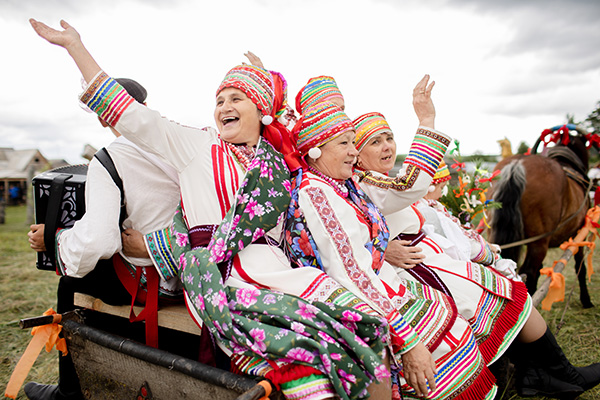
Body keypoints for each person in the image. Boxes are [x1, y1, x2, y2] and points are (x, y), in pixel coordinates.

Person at [30, 19, 392, 400]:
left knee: (370, 330)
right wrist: (76, 48)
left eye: (237, 98)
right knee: (319, 356)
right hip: (227, 279)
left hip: (284, 272)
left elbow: (321, 141)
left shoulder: (275, 162)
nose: (224, 107)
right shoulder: (199, 147)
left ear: (261, 110)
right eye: (220, 101)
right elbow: (133, 116)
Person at [353, 111, 600, 399]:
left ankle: (546, 372)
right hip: (417, 266)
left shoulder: (374, 182)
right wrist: (427, 121)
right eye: (375, 142)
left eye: (389, 138)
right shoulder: (369, 183)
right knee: (503, 296)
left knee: (506, 294)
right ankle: (554, 374)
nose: (387, 146)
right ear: (357, 154)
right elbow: (406, 189)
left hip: (424, 258)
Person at [285, 101, 499, 399]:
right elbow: (351, 272)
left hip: (380, 282)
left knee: (451, 320)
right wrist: (408, 341)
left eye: (354, 142)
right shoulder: (317, 191)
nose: (353, 151)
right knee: (444, 331)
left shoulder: (338, 184)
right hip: (361, 297)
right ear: (315, 150)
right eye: (345, 143)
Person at [25, 78, 183, 400]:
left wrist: (55, 241)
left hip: (151, 283)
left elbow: (99, 241)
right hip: (191, 274)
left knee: (71, 282)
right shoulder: (181, 144)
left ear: (102, 118)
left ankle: (69, 392)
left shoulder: (110, 158)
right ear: (145, 107)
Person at [415, 162, 520, 281]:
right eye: (441, 188)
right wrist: (490, 254)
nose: (441, 193)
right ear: (430, 187)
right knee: (503, 275)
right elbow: (460, 244)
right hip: (451, 266)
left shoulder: (426, 206)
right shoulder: (429, 212)